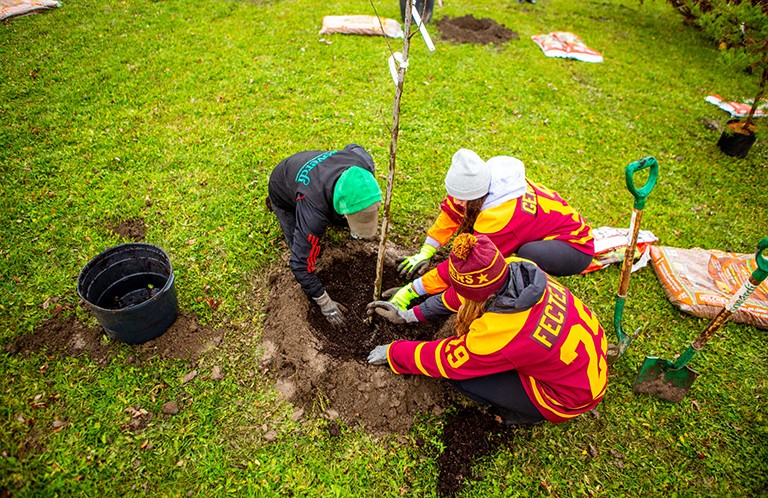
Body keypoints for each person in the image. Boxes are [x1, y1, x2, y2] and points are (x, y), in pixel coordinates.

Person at [366, 233, 608, 425]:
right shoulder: (516, 268)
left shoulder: (502, 330)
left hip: (567, 397)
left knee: (465, 380)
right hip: (583, 361)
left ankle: (530, 414)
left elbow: (449, 360)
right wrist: (409, 316)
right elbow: (460, 296)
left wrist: (394, 352)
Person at [376, 148, 594, 323]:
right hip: (545, 228)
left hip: (573, 246)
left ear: (478, 195)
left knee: (518, 259)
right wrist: (427, 250)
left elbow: (470, 266)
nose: (458, 201)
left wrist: (413, 290)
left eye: (463, 199)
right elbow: (453, 210)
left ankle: (529, 294)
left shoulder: (499, 217)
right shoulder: (479, 182)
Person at [267, 143, 382, 327]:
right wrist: (325, 304)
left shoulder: (363, 166)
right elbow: (299, 265)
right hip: (282, 184)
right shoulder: (313, 208)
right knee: (300, 246)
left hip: (316, 172)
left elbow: (354, 146)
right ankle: (277, 203)